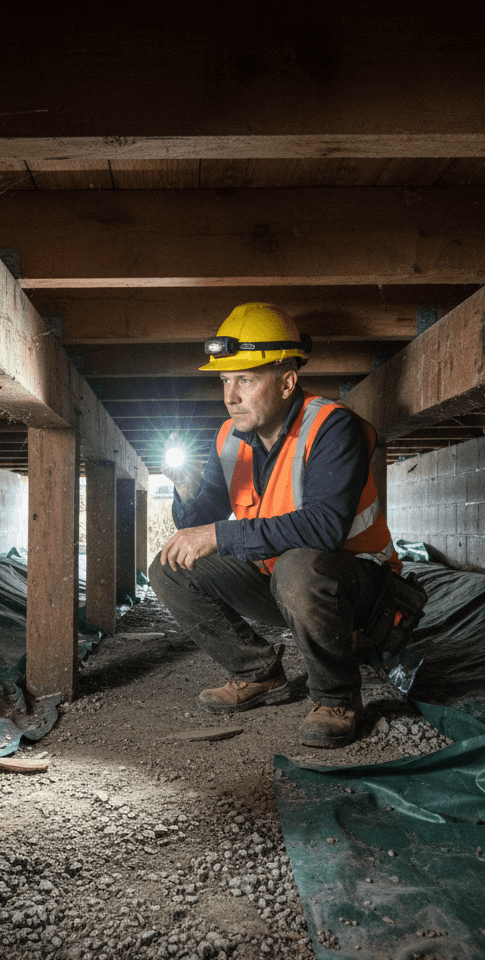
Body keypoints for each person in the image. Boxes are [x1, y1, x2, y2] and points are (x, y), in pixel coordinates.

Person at [148, 302, 401, 748]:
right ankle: (257, 673)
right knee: (170, 565)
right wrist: (187, 490)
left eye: (246, 379)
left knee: (299, 566)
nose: (230, 396)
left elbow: (324, 529)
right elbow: (199, 521)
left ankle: (337, 698)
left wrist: (218, 535)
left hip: (358, 589)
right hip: (280, 579)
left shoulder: (330, 426)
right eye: (226, 380)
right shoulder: (229, 437)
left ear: (287, 382)